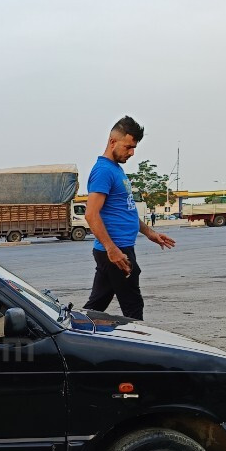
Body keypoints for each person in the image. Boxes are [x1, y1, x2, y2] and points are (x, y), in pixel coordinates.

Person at [84, 116, 176, 321]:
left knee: (95, 307)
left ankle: (69, 336)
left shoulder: (116, 170)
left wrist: (150, 233)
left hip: (118, 249)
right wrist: (112, 249)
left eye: (134, 147)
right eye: (128, 147)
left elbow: (126, 211)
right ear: (112, 142)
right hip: (117, 251)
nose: (132, 152)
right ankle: (141, 350)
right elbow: (91, 214)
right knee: (133, 307)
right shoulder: (103, 171)